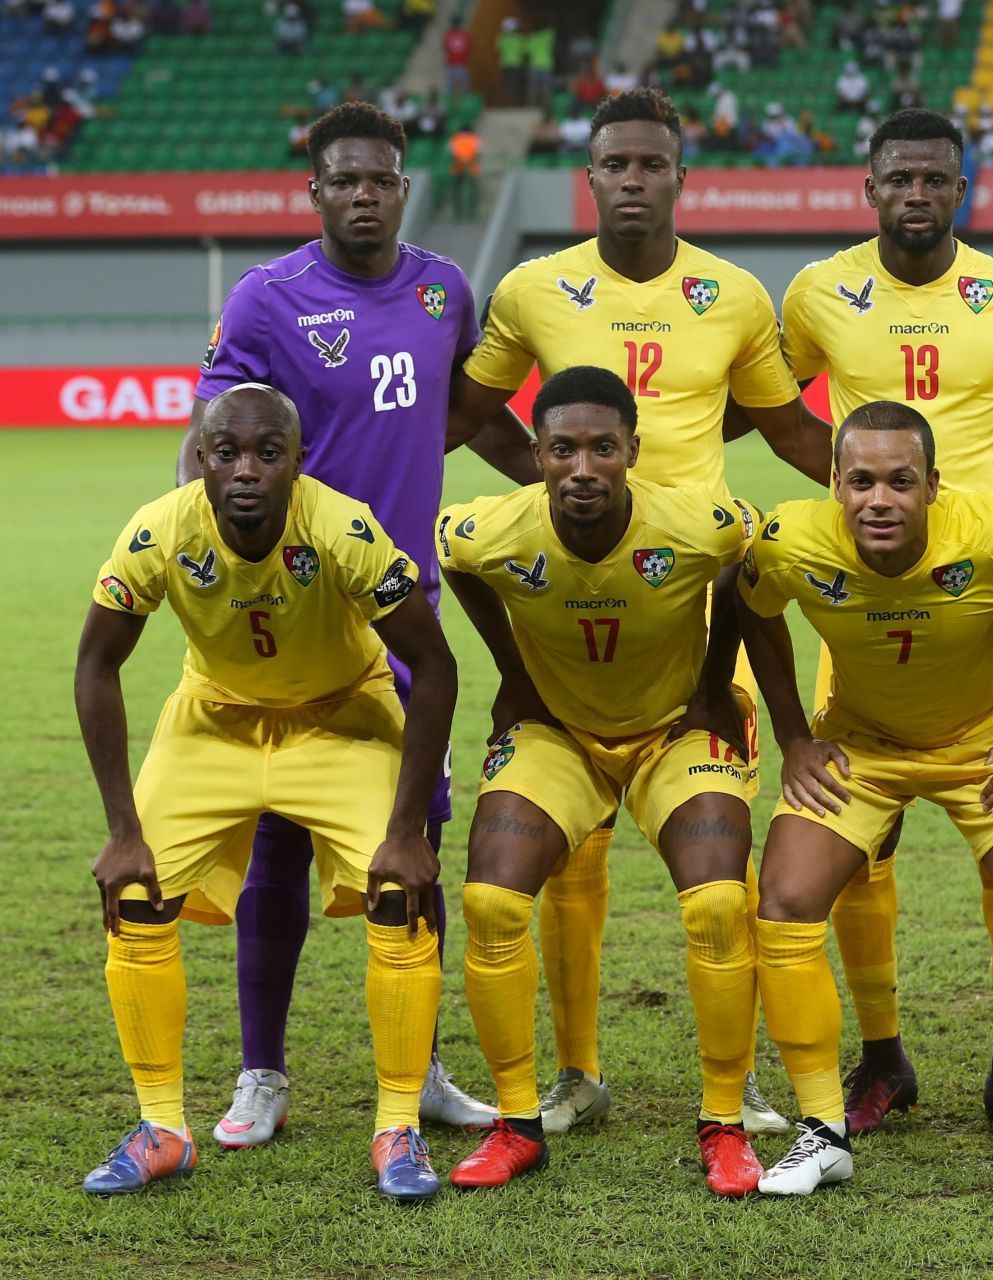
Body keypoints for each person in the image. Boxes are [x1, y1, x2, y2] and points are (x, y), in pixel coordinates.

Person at [447, 86, 833, 1139]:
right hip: (568, 606)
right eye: (614, 164)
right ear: (591, 174)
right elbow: (469, 414)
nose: (631, 180)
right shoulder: (534, 287)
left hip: (701, 602)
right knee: (565, 866)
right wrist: (531, 484)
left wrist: (885, 482)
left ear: (679, 173)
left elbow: (789, 429)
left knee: (718, 872)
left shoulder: (735, 294)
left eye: (650, 164)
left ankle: (736, 1079)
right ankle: (575, 1072)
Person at [181, 102, 522, 1150]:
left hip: (403, 610)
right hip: (294, 615)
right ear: (316, 191)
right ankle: (261, 1072)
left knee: (414, 836)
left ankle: (417, 1068)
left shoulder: (442, 288)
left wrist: (547, 473)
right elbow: (206, 447)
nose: (364, 195)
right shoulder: (269, 298)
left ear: (402, 187)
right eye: (345, 181)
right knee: (279, 832)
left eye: (381, 179)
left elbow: (466, 413)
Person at [779, 107, 993, 1138]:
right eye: (899, 178)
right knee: (863, 834)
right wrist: (858, 497)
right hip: (866, 597)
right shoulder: (819, 292)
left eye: (935, 179)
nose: (917, 193)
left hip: (992, 593)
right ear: (871, 188)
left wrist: (977, 499)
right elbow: (774, 408)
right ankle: (881, 1054)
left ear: (962, 189)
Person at [78, 385, 456, 1200]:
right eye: (227, 454)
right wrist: (120, 827)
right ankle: (162, 1128)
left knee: (400, 891)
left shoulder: (343, 529)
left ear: (297, 461)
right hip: (213, 722)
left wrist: (407, 829)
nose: (246, 471)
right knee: (134, 890)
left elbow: (436, 666)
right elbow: (95, 664)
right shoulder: (160, 530)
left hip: (340, 720)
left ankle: (399, 1128)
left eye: (266, 454)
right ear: (203, 460)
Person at [738, 402, 993, 1203]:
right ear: (834, 484)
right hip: (862, 745)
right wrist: (794, 737)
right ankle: (822, 1132)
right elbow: (752, 612)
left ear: (934, 485)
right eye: (859, 481)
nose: (879, 500)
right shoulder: (791, 540)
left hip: (984, 743)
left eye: (901, 481)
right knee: (785, 902)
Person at [437, 366, 766, 1196]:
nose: (582, 468)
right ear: (537, 455)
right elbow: (454, 560)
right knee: (491, 903)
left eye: (602, 449)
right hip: (561, 733)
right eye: (562, 450)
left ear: (632, 452)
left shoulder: (695, 522)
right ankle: (516, 1125)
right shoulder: (491, 531)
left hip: (674, 732)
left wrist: (715, 681)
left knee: (721, 904)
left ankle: (724, 1122)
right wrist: (512, 673)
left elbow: (748, 557)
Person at [442, 20, 471, 100]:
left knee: (450, 88)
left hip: (453, 64)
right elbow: (469, 48)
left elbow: (445, 48)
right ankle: (461, 104)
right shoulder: (465, 35)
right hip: (460, 64)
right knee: (461, 88)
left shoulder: (448, 35)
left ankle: (454, 103)